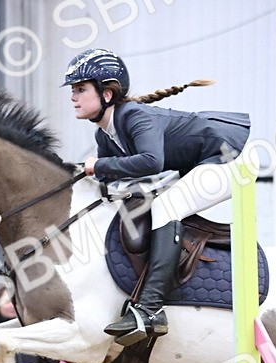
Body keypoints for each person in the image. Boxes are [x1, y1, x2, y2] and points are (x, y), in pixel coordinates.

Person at [64, 48, 250, 345]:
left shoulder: (134, 115)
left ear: (107, 94)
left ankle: (150, 309)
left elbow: (151, 162)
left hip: (228, 157)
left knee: (167, 205)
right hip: (197, 165)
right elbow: (115, 183)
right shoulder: (104, 134)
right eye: (73, 90)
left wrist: (98, 166)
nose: (73, 96)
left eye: (81, 89)